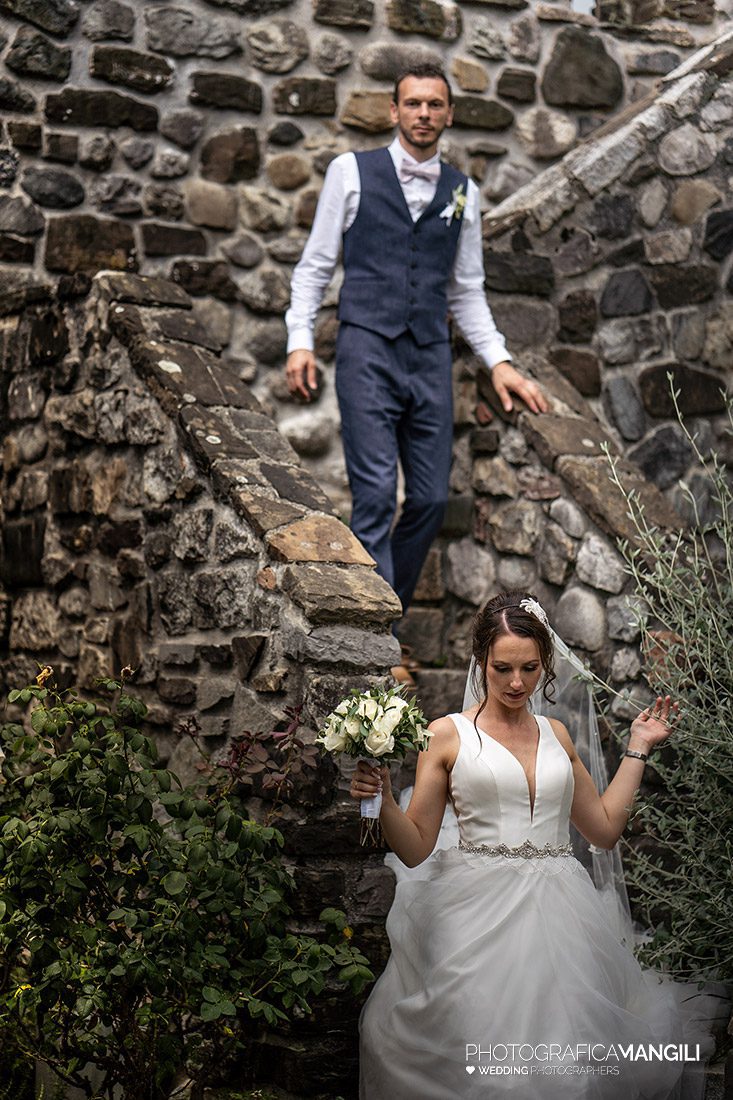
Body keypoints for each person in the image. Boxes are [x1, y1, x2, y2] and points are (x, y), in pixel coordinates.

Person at [350, 591, 718, 1099]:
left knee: (569, 1065)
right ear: (481, 661)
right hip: (474, 917)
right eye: (502, 668)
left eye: (529, 667)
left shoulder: (558, 736)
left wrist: (639, 745)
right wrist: (386, 800)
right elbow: (415, 849)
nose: (517, 682)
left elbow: (605, 829)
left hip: (563, 916)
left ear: (546, 663)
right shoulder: (445, 736)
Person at [284, 64, 548, 622]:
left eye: (434, 104)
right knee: (376, 495)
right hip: (366, 350)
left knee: (429, 499)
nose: (423, 113)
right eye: (413, 103)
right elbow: (314, 267)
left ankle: (385, 614)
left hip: (429, 356)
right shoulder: (349, 173)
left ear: (449, 114)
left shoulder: (463, 191)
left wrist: (499, 363)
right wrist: (299, 339)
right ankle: (376, 637)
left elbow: (468, 290)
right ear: (393, 111)